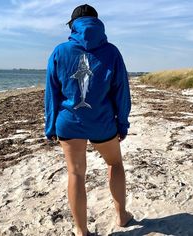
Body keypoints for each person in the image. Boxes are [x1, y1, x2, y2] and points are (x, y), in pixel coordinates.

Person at [45, 4, 133, 236]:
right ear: (98, 24)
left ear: (72, 26)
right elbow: (121, 91)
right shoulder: (112, 52)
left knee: (76, 173)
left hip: (69, 121)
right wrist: (122, 123)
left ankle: (81, 230)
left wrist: (50, 126)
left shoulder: (59, 51)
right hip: (102, 122)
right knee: (114, 164)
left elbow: (51, 93)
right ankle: (121, 215)